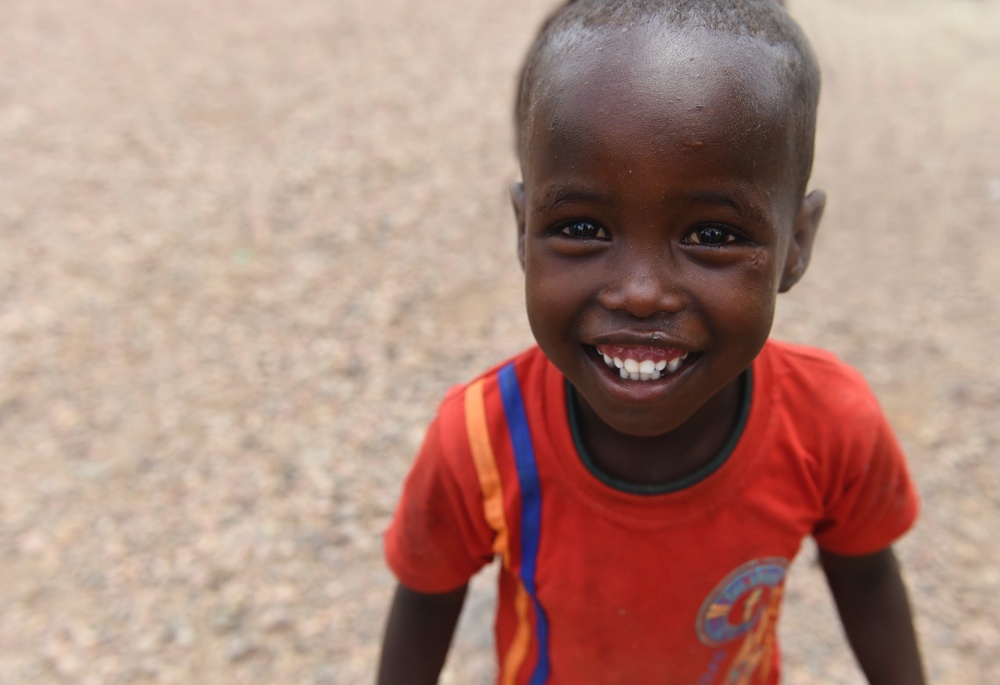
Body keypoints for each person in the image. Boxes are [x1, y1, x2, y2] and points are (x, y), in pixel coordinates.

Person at [377, 0, 925, 683]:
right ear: (523, 229)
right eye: (582, 227)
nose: (640, 292)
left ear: (797, 245)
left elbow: (867, 577)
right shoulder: (481, 442)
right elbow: (427, 600)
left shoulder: (831, 422)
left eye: (714, 234)